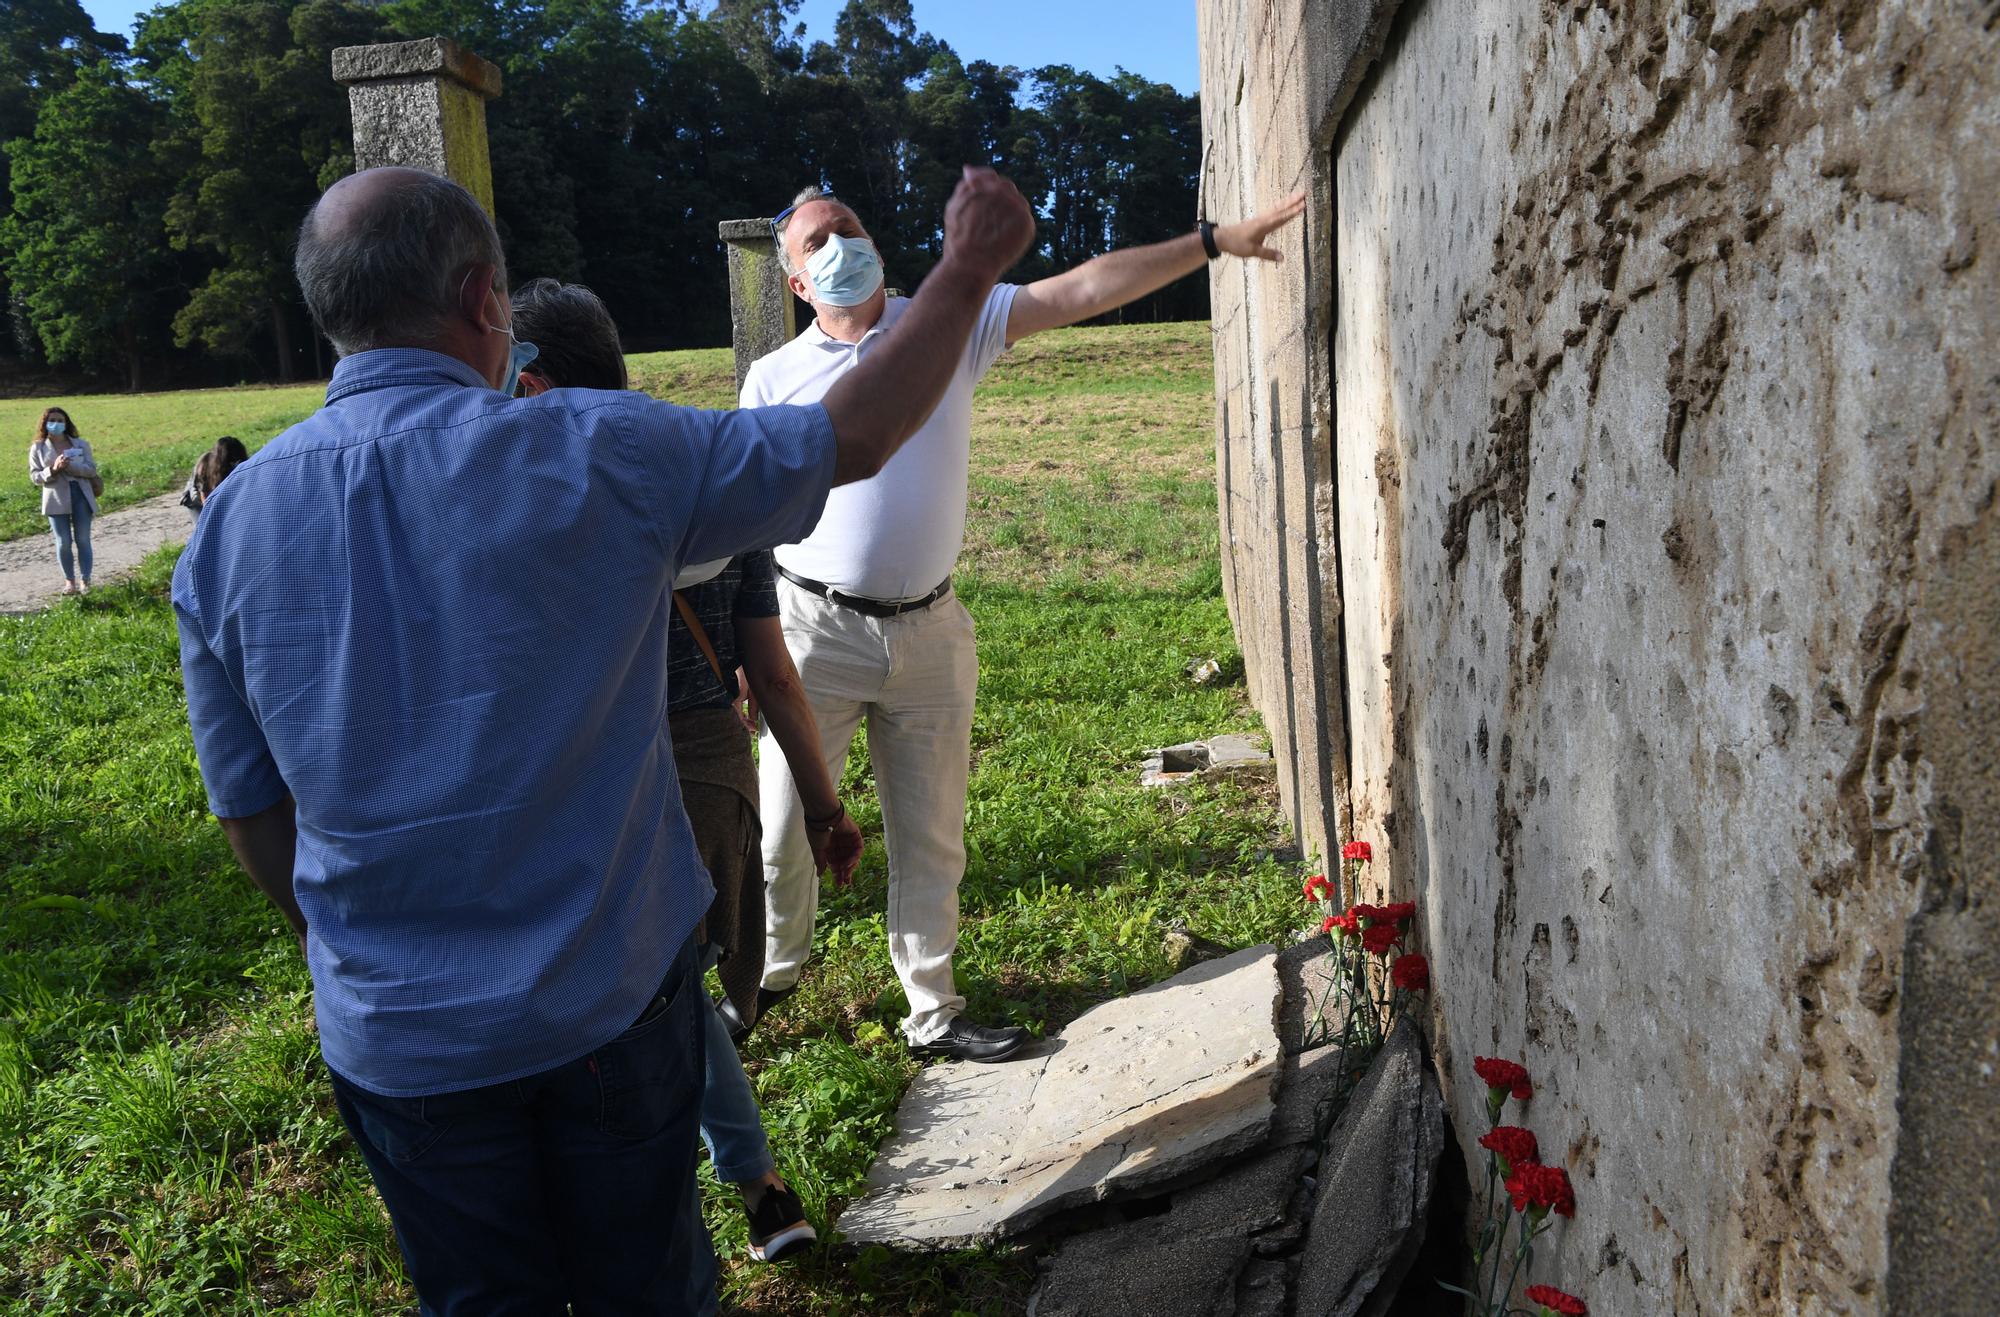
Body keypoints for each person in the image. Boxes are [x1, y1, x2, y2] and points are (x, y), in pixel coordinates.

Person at [171, 164, 1032, 1315]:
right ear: (486, 300)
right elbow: (857, 435)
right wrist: (968, 266)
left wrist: (361, 953)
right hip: (610, 1006)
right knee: (651, 1287)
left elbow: (250, 814)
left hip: (398, 1039)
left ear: (330, 311)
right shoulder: (601, 453)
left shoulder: (224, 533)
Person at [749, 186, 1307, 1064]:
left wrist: (1209, 239)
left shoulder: (947, 326)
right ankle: (769, 977)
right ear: (793, 276)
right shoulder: (773, 378)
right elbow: (748, 516)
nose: (839, 246)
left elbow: (1083, 288)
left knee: (932, 832)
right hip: (814, 632)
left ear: (876, 241)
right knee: (779, 828)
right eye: (818, 240)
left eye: (849, 228)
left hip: (931, 629)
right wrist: (751, 653)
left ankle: (931, 1008)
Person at [509, 276, 862, 1265]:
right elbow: (773, 674)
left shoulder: (522, 487)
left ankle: (719, 1198)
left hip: (581, 770)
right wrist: (825, 804)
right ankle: (756, 1190)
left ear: (530, 384)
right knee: (687, 989)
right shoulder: (701, 470)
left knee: (646, 1001)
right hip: (710, 761)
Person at [27, 406, 99, 595]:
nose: (56, 424)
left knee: (83, 539)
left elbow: (91, 469)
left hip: (81, 495)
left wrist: (72, 468)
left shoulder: (80, 444)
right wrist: (54, 469)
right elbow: (35, 477)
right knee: (63, 541)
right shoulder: (38, 447)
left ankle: (86, 580)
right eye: (52, 420)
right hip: (55, 498)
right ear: (45, 423)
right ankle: (70, 582)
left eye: (60, 420)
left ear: (66, 423)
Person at [180, 436, 249, 521]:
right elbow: (204, 495)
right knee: (205, 528)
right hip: (197, 501)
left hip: (218, 497)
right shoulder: (205, 464)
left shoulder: (239, 464)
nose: (234, 462)